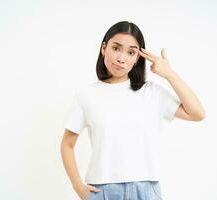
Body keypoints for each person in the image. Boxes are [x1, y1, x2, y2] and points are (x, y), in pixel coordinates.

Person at [60, 21, 206, 200]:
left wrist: (170, 74)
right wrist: (79, 188)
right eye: (116, 48)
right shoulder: (86, 95)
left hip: (146, 191)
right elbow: (67, 144)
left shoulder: (151, 92)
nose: (121, 58)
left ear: (137, 58)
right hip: (103, 191)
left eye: (131, 52)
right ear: (103, 48)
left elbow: (197, 113)